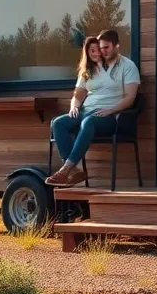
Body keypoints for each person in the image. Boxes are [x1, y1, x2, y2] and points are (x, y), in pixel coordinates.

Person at [45, 29, 140, 187]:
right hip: (85, 113)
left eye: (106, 48)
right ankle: (75, 171)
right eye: (100, 48)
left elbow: (130, 98)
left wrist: (111, 110)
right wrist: (74, 107)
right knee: (58, 123)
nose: (102, 51)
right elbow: (79, 94)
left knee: (88, 122)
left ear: (117, 46)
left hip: (109, 117)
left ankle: (65, 169)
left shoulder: (128, 67)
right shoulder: (91, 68)